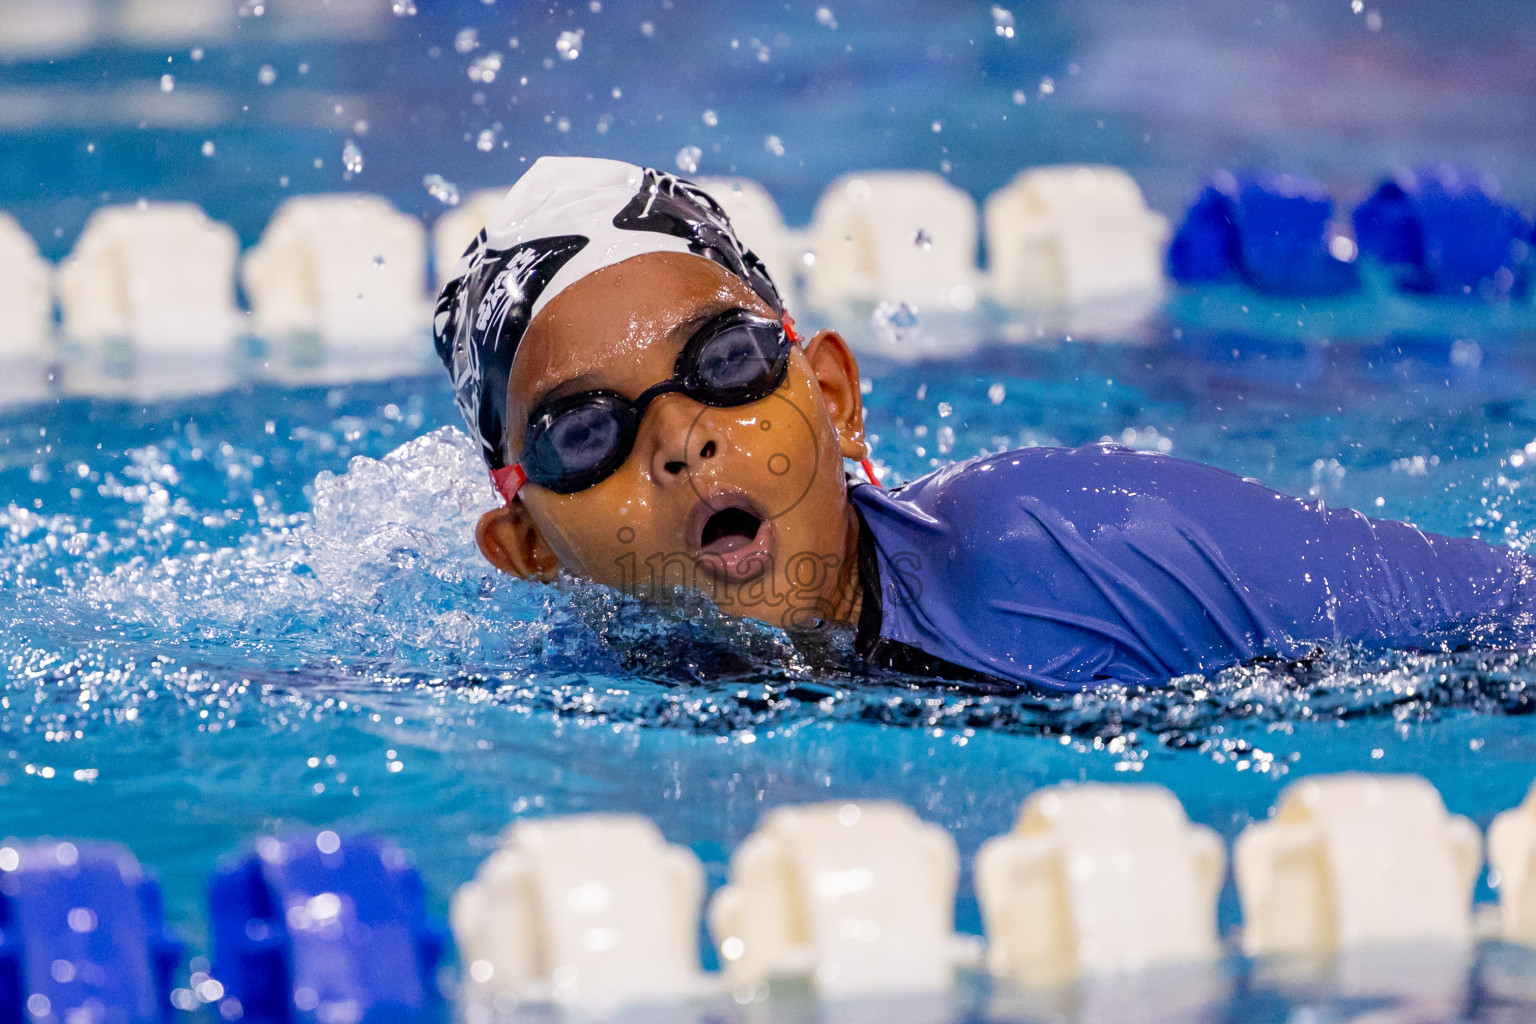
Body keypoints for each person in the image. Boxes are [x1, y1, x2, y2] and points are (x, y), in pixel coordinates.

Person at [432, 156, 1534, 692]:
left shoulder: (1066, 544)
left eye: (724, 364)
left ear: (830, 391)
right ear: (528, 545)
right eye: (588, 431)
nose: (680, 437)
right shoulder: (569, 691)